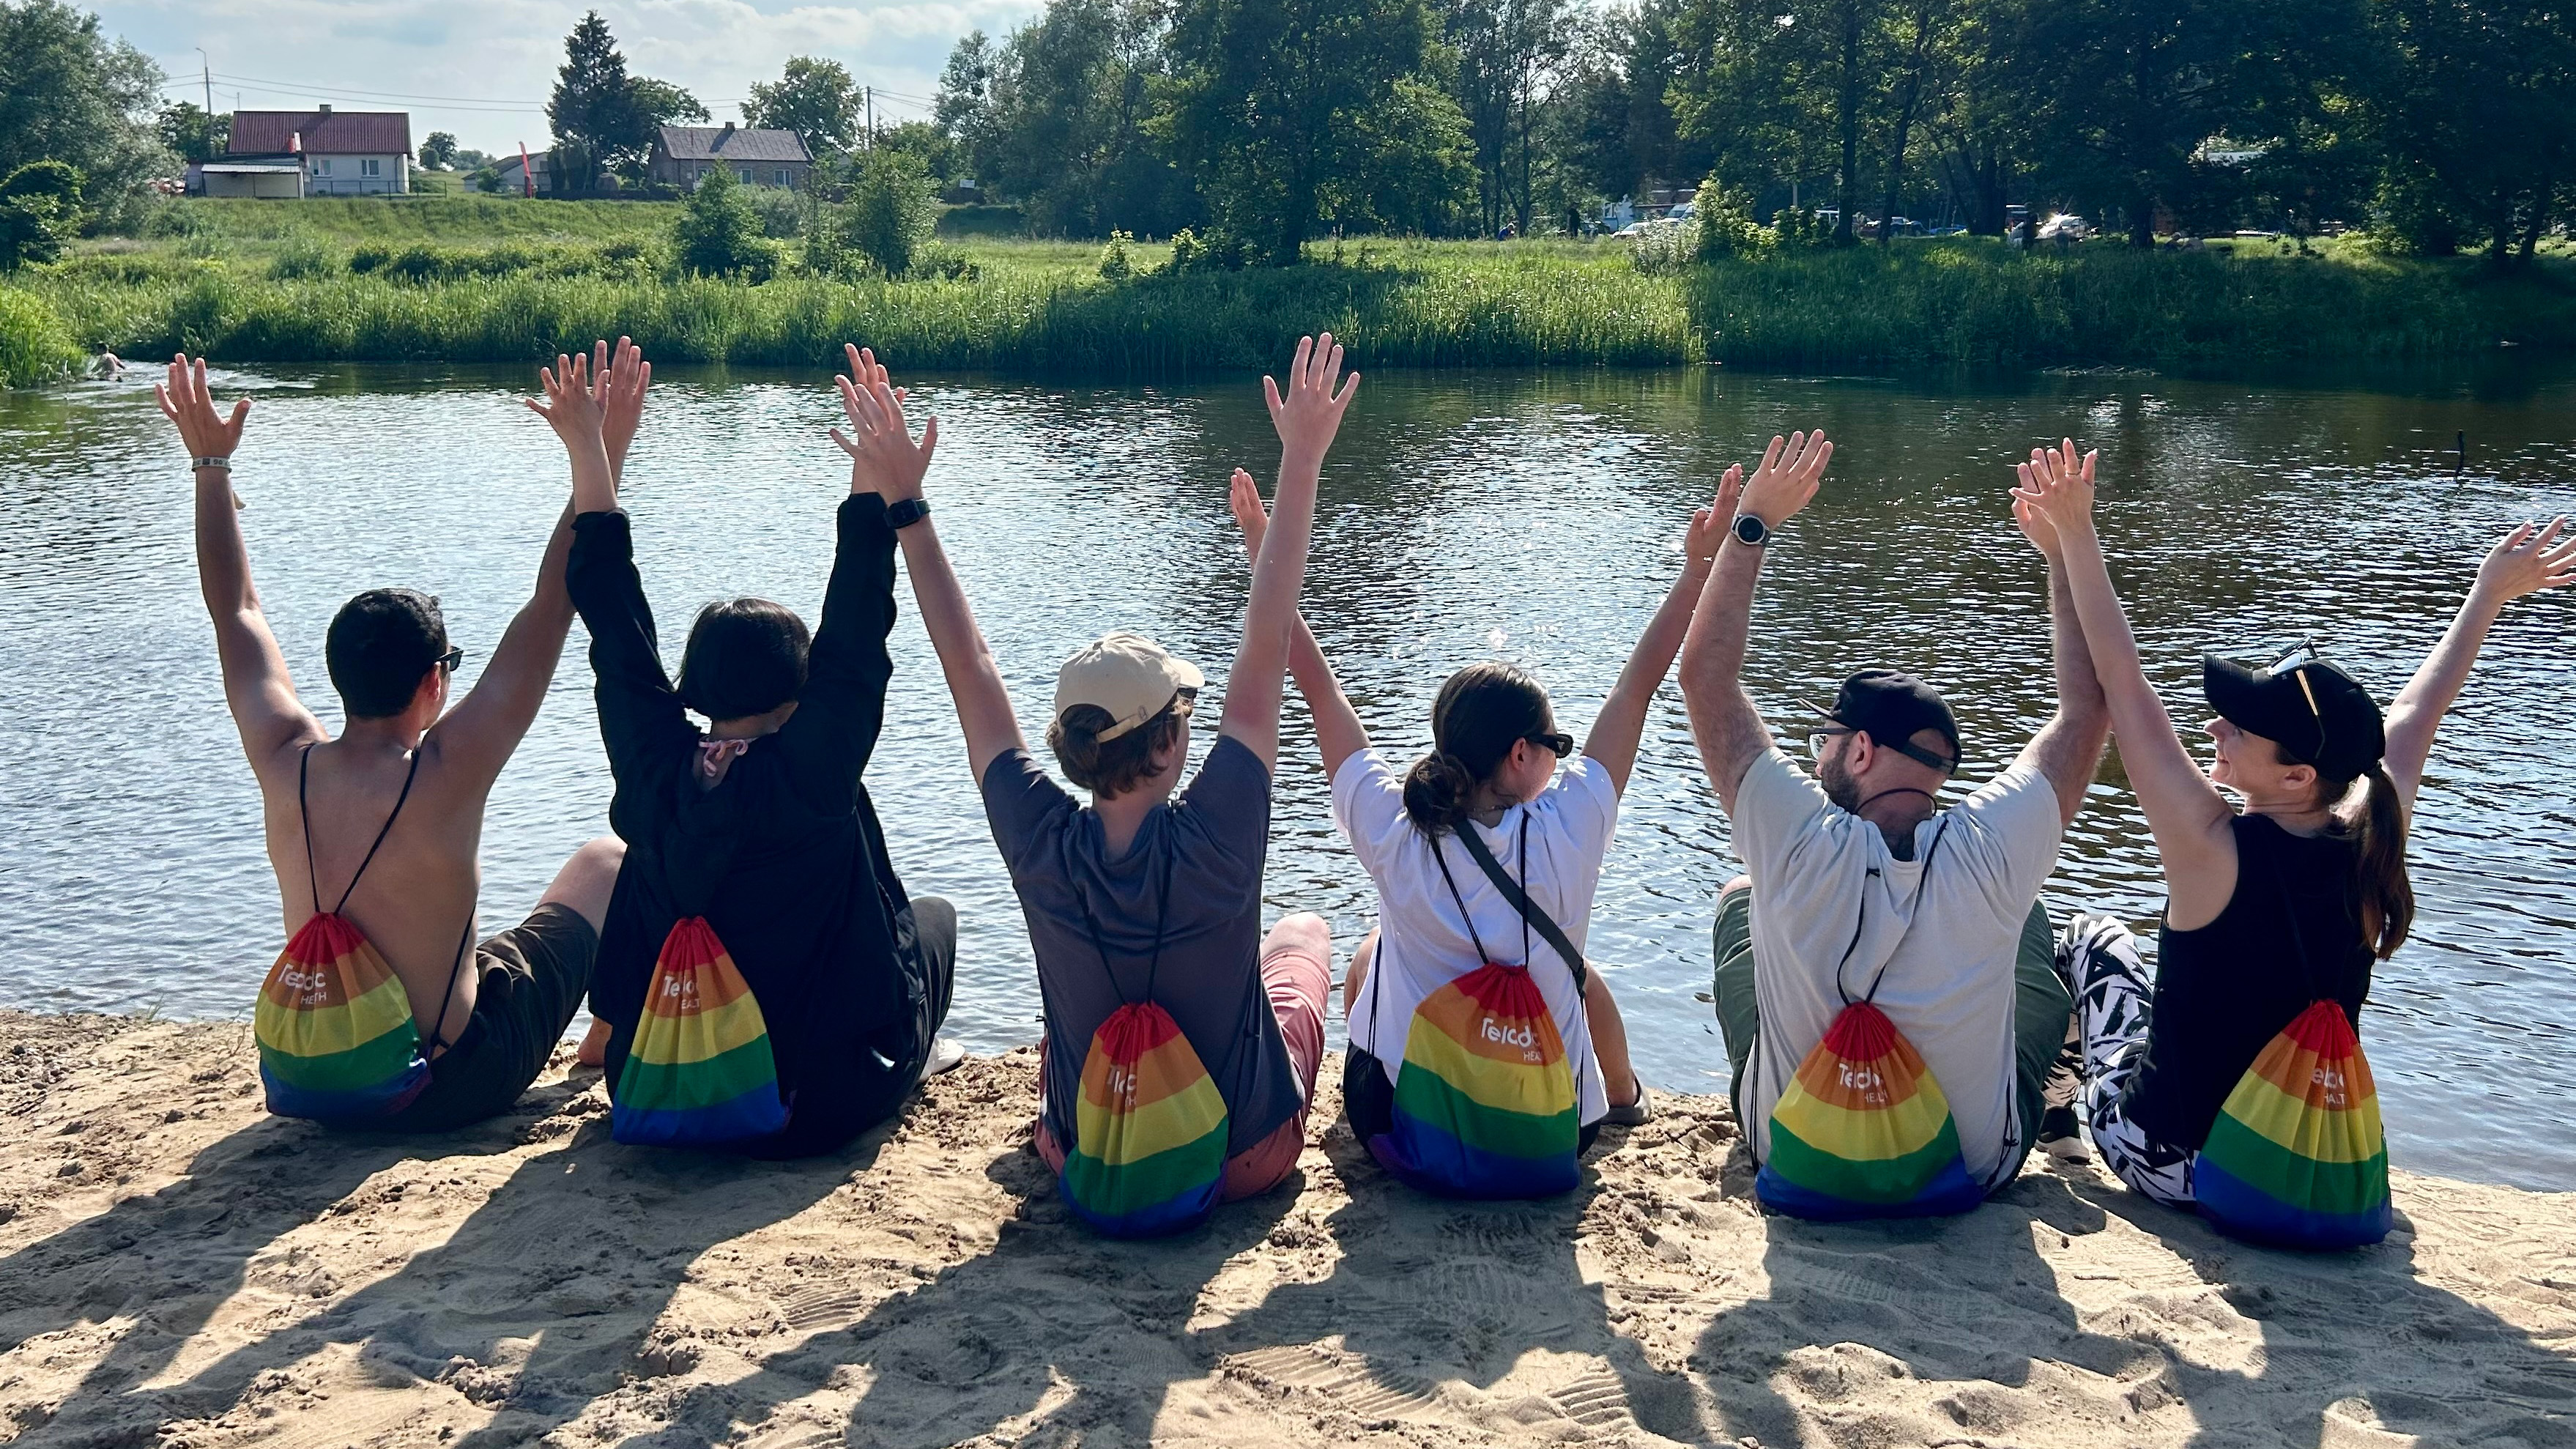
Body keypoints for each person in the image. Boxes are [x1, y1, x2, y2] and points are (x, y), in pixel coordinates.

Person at [834, 336, 1350, 1214]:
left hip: (1088, 1155)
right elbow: (1266, 644)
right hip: (1244, 1159)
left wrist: (907, 506)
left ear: (1074, 752)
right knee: (1299, 944)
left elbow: (973, 668)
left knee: (1067, 1024)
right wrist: (1301, 458)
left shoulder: (1037, 834)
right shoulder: (1221, 825)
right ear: (1170, 744)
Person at [2011, 442, 2576, 1207]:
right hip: (2303, 1163)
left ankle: (2056, 1115)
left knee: (2088, 938)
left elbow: (2122, 680)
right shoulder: (2371, 831)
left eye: (2238, 728)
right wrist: (2486, 596)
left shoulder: (2210, 849)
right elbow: (2414, 714)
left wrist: (2075, 536)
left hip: (2178, 1164)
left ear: (2297, 776)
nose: (2214, 727)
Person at [162, 348, 629, 1133]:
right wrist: (601, 452)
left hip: (316, 1076)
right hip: (445, 1088)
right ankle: (604, 1043)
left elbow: (234, 610)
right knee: (608, 862)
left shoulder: (285, 760)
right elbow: (554, 605)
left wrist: (210, 463)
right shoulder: (447, 769)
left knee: (491, 950)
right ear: (432, 684)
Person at [1679, 433, 2110, 1204]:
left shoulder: (1795, 839)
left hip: (1795, 1145)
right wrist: (2063, 552)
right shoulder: (1992, 846)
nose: (1816, 760)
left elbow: (1705, 679)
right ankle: (2056, 1106)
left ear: (1864, 751)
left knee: (1740, 899)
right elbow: (2087, 708)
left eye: (1826, 744)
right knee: (2031, 925)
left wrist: (1751, 526)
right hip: (1970, 1164)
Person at [1266, 460, 1699, 1193]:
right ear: (1521, 754)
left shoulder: (1396, 831)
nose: (1566, 761)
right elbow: (1637, 684)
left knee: (1376, 948)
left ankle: (1414, 1075)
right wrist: (1697, 568)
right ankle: (1622, 1101)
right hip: (1550, 1134)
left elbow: (1320, 690)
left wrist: (1262, 553)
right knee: (1573, 972)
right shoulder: (1574, 825)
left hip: (1405, 1132)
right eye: (1557, 747)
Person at [568, 348, 957, 1159]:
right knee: (934, 922)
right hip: (813, 1102)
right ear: (799, 687)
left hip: (655, 1081)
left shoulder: (655, 767)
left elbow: (616, 628)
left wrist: (592, 457)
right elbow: (858, 631)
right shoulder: (810, 773)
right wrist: (877, 481)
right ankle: (914, 1058)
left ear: (695, 687)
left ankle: (605, 1035)